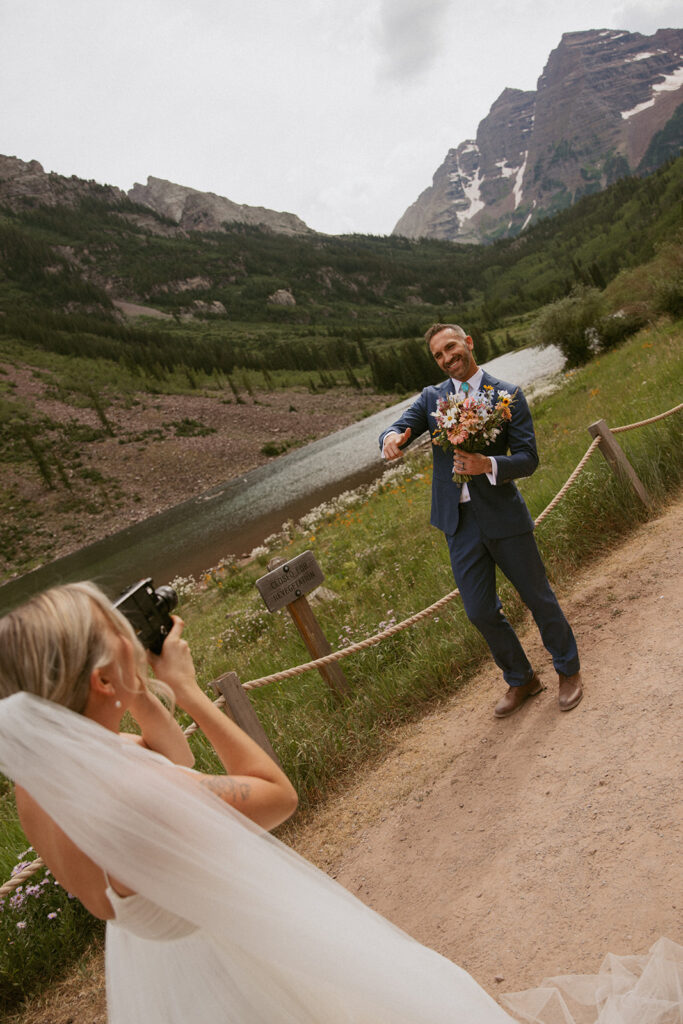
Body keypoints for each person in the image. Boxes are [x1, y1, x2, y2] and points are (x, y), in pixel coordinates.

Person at [0, 581, 516, 1023]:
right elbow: (276, 795)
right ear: (100, 679)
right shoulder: (134, 798)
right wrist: (188, 690)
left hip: (159, 970)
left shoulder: (43, 785)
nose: (128, 641)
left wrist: (133, 691)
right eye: (118, 637)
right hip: (231, 964)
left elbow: (169, 758)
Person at [380, 323, 583, 718]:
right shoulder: (431, 398)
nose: (446, 358)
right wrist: (391, 437)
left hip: (504, 517)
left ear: (468, 343)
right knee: (479, 611)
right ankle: (522, 679)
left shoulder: (507, 395)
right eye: (438, 355)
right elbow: (400, 424)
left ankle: (568, 670)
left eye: (451, 347)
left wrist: (487, 463)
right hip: (458, 523)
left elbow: (528, 459)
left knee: (538, 597)